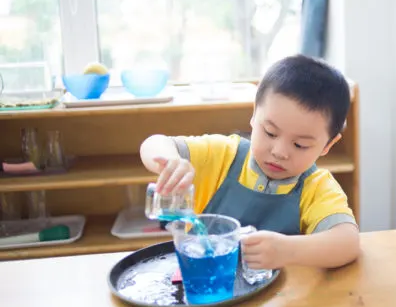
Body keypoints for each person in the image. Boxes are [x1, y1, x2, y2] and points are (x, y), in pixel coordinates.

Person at [139, 54, 359, 270]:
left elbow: (348, 243)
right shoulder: (223, 155)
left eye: (300, 145)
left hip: (282, 300)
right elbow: (153, 143)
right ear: (254, 115)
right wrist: (172, 163)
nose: (279, 152)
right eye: (270, 132)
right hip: (206, 287)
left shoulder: (316, 187)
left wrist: (287, 251)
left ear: (328, 145)